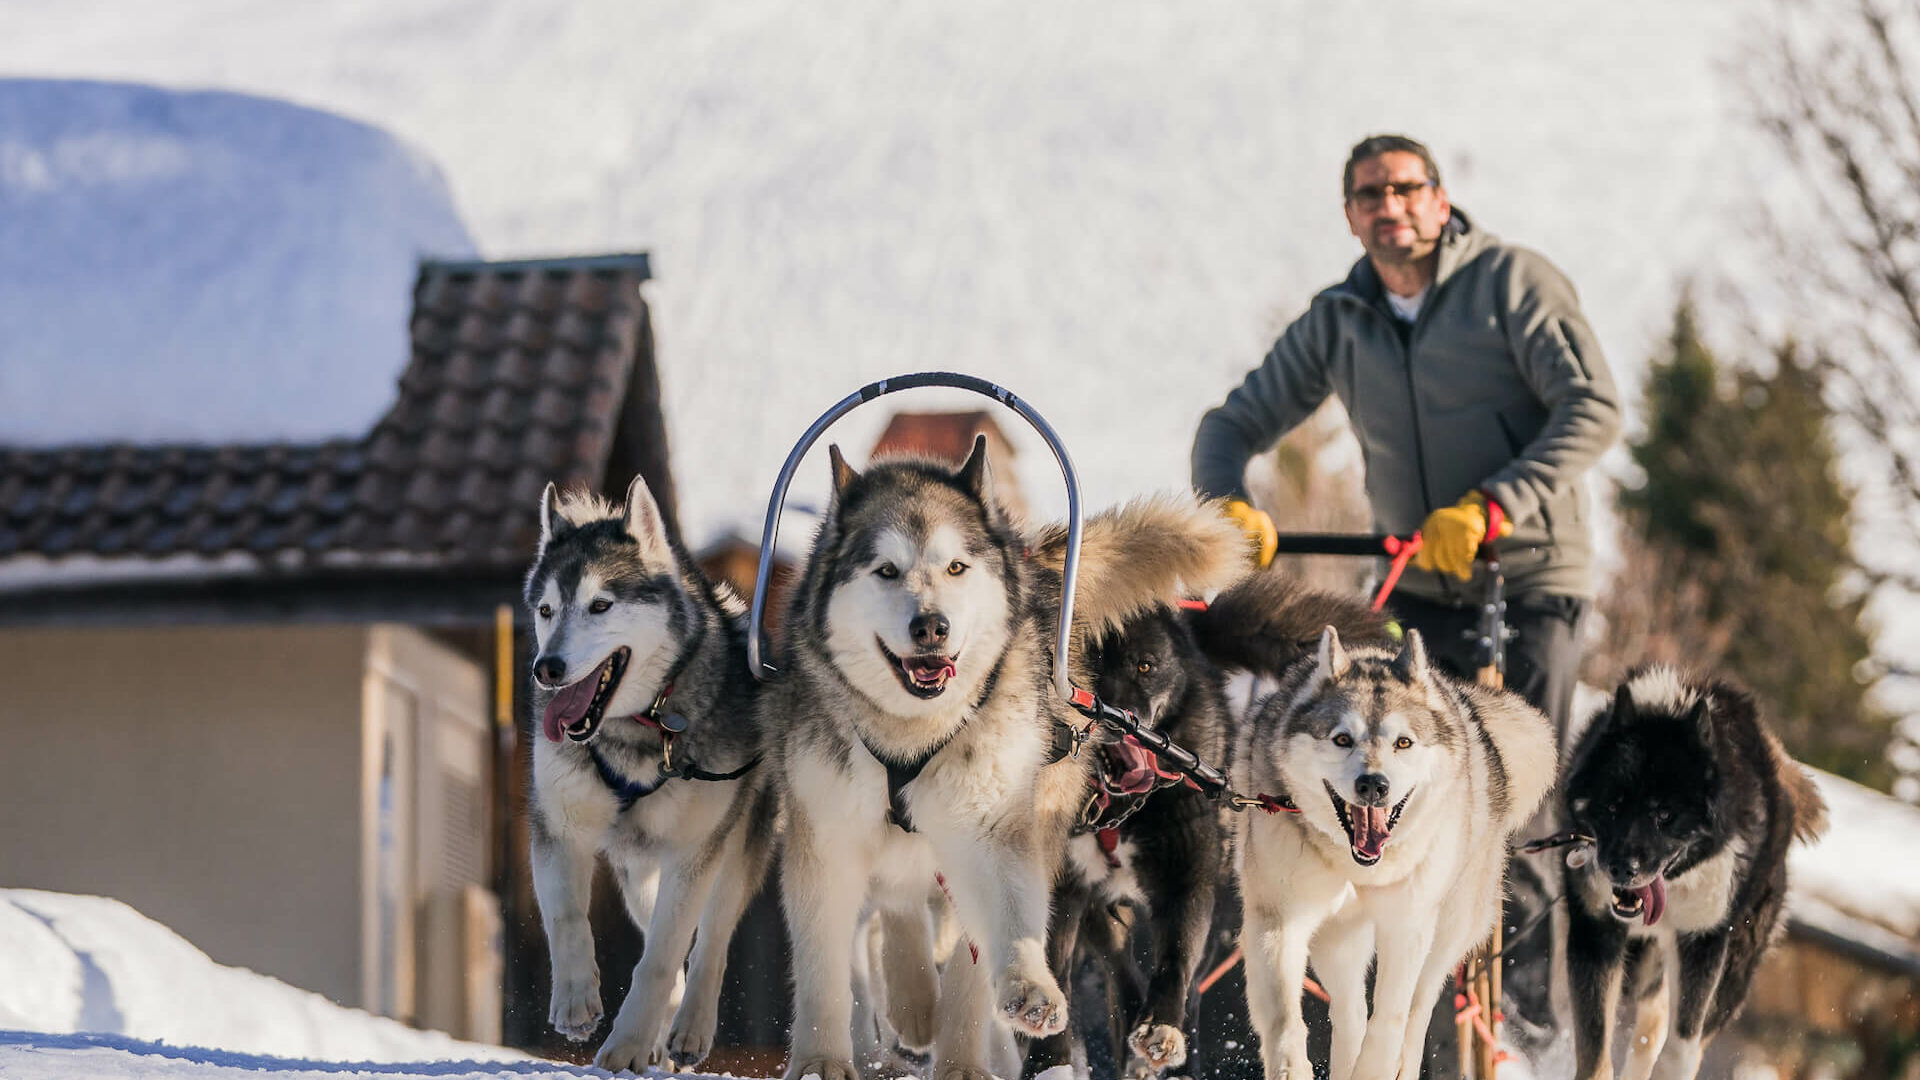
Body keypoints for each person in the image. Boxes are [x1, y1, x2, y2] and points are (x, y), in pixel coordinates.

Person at [1191, 133, 1620, 742]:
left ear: (1441, 202)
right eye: (1370, 194)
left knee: (1522, 787)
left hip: (1529, 580)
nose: (1389, 205)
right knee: (1402, 790)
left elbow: (1593, 406)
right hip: (1412, 588)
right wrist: (1228, 503)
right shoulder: (1337, 321)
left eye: (1406, 189)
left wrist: (1492, 506)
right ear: (1350, 216)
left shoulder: (1513, 282)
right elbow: (1228, 427)